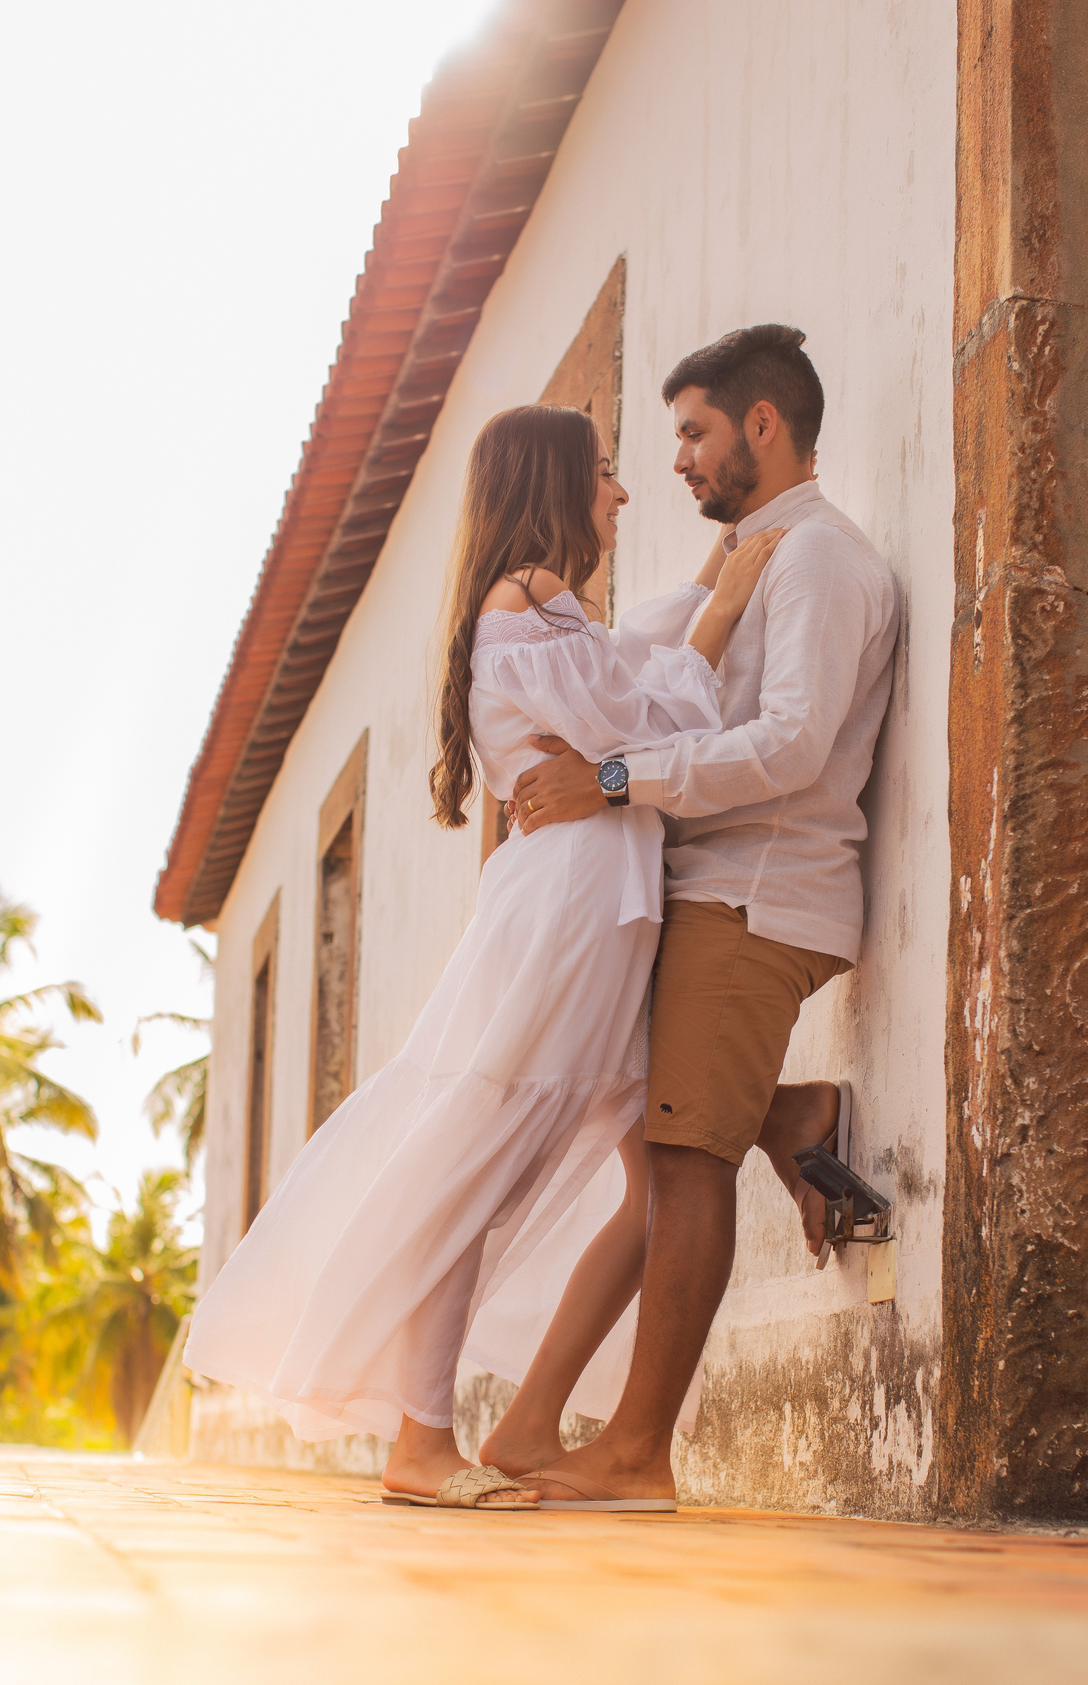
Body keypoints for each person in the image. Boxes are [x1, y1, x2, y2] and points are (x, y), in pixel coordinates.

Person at [183, 402, 781, 1511]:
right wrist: (724, 613)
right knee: (487, 1163)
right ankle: (423, 1438)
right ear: (555, 484)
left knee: (650, 1160)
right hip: (571, 913)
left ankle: (534, 1424)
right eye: (603, 472)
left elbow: (625, 671)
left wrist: (714, 573)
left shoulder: (543, 612)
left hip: (593, 908)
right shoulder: (529, 600)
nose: (621, 492)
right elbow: (653, 724)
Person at [482, 326, 898, 1510]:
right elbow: (639, 670)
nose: (676, 461)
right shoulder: (750, 560)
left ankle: (637, 1452)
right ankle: (792, 1119)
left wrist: (613, 782)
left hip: (754, 896)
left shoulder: (819, 560)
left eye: (694, 433)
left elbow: (791, 745)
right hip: (703, 888)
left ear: (764, 425)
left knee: (680, 1158)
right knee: (645, 1129)